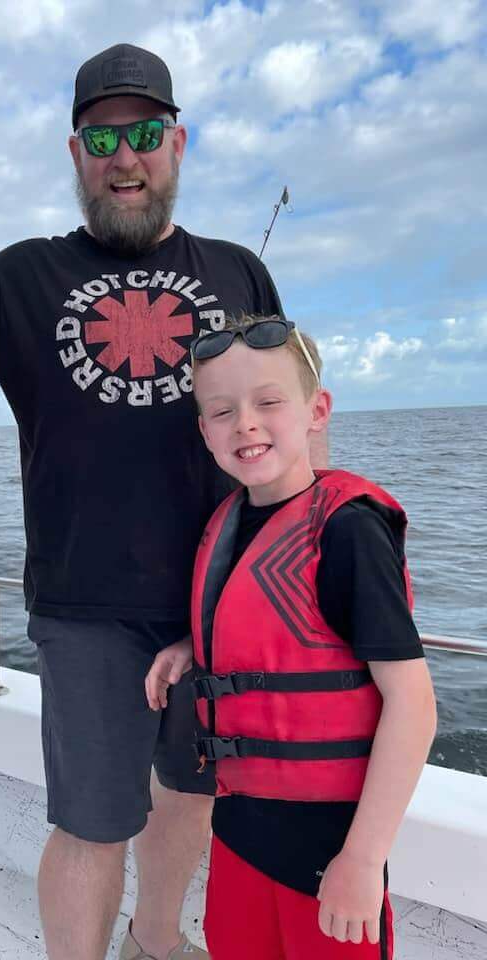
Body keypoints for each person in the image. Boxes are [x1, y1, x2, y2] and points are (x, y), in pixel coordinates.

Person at [0, 43, 285, 960]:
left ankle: (156, 943)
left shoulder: (239, 270)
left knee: (191, 795)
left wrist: (292, 568)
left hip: (218, 597)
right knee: (90, 824)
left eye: (146, 132)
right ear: (75, 153)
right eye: (103, 136)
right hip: (85, 609)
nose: (127, 156)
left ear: (179, 144)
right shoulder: (25, 274)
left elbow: (282, 428)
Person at [145, 315, 437, 959]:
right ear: (204, 431)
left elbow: (413, 706)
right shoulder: (225, 523)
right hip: (240, 836)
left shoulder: (348, 531)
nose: (245, 423)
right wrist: (191, 646)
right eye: (222, 411)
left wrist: (363, 861)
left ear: (317, 410)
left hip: (329, 853)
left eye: (268, 402)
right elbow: (261, 627)